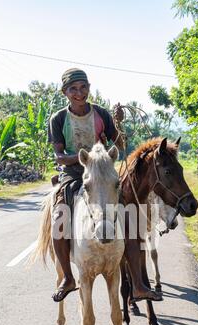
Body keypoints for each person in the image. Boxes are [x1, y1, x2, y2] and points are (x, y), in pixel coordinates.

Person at [48, 68, 161, 303]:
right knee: (59, 214)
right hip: (74, 173)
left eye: (83, 87)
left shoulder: (101, 114)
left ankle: (138, 284)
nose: (79, 93)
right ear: (65, 92)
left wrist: (119, 123)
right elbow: (59, 156)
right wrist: (88, 157)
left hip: (104, 174)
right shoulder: (58, 119)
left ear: (89, 87)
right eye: (73, 89)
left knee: (129, 215)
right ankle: (68, 278)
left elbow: (119, 143)